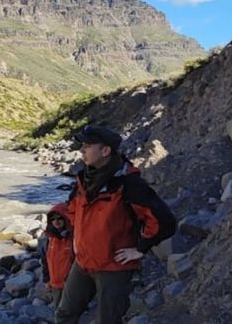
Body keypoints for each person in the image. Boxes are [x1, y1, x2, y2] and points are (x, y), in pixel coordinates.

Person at [55, 125, 176, 324]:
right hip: (84, 261)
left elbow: (164, 221)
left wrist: (140, 249)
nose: (82, 150)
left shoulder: (128, 184)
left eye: (87, 145)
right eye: (82, 145)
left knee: (108, 320)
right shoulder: (85, 179)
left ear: (105, 151)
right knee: (64, 315)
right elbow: (73, 210)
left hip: (113, 267)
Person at [40, 202, 75, 309]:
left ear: (66, 218)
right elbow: (45, 260)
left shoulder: (74, 237)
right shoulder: (48, 238)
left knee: (71, 311)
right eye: (53, 219)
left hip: (72, 285)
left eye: (60, 218)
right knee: (58, 310)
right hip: (55, 284)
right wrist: (46, 280)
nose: (56, 221)